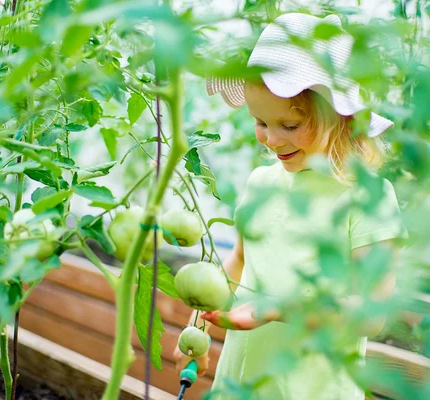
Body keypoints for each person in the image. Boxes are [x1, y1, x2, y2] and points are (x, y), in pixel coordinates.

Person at [173, 12, 407, 400]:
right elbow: (239, 262)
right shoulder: (261, 183)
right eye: (260, 121)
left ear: (340, 116)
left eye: (290, 125)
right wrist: (201, 320)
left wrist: (277, 309)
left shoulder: (369, 198)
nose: (271, 139)